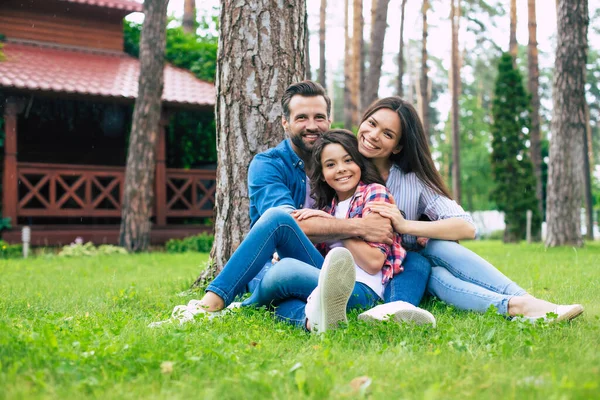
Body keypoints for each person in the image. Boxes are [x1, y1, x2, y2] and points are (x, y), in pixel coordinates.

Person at [353, 96, 583, 322]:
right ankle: (524, 306)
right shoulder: (341, 170)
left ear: (398, 146)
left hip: (414, 270)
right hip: (379, 269)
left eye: (388, 134)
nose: (373, 135)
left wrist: (405, 225)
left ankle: (523, 303)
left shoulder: (412, 181)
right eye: (372, 124)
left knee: (437, 256)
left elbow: (466, 227)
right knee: (427, 268)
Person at [168, 130, 421, 332]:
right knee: (281, 264)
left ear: (359, 162)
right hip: (325, 278)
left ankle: (221, 306)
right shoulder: (328, 206)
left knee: (283, 267)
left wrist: (337, 229)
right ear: (322, 174)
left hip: (358, 289)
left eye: (348, 160)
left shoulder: (374, 192)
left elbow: (374, 262)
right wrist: (331, 220)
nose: (341, 169)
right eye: (330, 164)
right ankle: (312, 322)